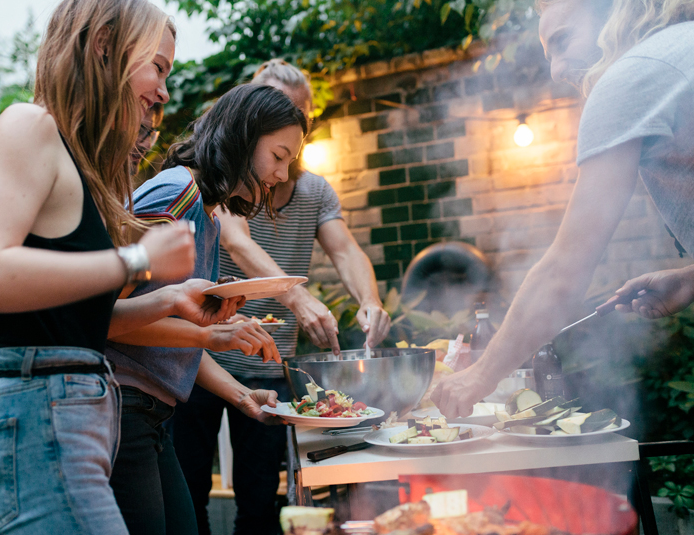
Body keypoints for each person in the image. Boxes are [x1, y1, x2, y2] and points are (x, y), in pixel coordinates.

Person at [0, 1, 247, 533]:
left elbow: (73, 318)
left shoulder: (80, 167)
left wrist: (170, 300)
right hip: (37, 419)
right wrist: (135, 259)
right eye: (157, 67)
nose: (163, 92)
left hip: (77, 421)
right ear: (105, 44)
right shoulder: (29, 125)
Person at [432, 0, 694, 418]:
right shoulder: (680, 48)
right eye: (547, 53)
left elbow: (565, 270)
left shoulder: (631, 75)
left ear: (610, 14)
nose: (555, 70)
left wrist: (479, 375)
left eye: (562, 40)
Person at [172, 59, 392, 535]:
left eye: (297, 115)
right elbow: (236, 239)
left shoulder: (314, 191)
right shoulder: (225, 186)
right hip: (198, 360)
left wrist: (370, 301)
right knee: (188, 498)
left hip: (270, 370)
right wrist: (297, 297)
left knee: (260, 504)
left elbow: (346, 249)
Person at [104, 83, 308, 535]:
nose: (280, 174)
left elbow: (167, 330)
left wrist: (242, 396)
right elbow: (105, 320)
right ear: (242, 136)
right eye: (277, 156)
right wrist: (207, 334)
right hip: (121, 407)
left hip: (150, 413)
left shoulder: (206, 211)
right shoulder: (176, 195)